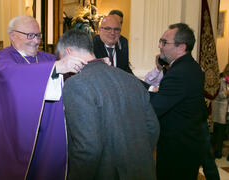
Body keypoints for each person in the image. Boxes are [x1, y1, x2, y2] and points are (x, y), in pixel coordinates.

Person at [0, 15, 87, 180]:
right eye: (30, 35)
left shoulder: (47, 58)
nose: (36, 41)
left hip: (48, 129)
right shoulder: (2, 58)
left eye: (38, 35)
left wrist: (92, 65)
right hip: (17, 132)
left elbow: (69, 76)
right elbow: (12, 74)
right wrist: (56, 67)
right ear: (13, 35)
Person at [58, 29, 160, 180]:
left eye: (61, 59)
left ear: (68, 51)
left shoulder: (76, 84)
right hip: (143, 171)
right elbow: (153, 128)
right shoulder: (130, 79)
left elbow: (88, 149)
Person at [150, 23, 209, 180]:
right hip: (187, 147)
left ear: (181, 47)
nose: (159, 46)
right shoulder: (191, 67)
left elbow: (154, 108)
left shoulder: (179, 73)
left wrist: (133, 90)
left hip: (177, 152)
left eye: (164, 42)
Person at [212, 64, 229, 159]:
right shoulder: (221, 79)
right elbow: (217, 95)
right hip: (221, 109)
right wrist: (226, 93)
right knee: (219, 132)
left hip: (228, 110)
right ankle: (217, 151)